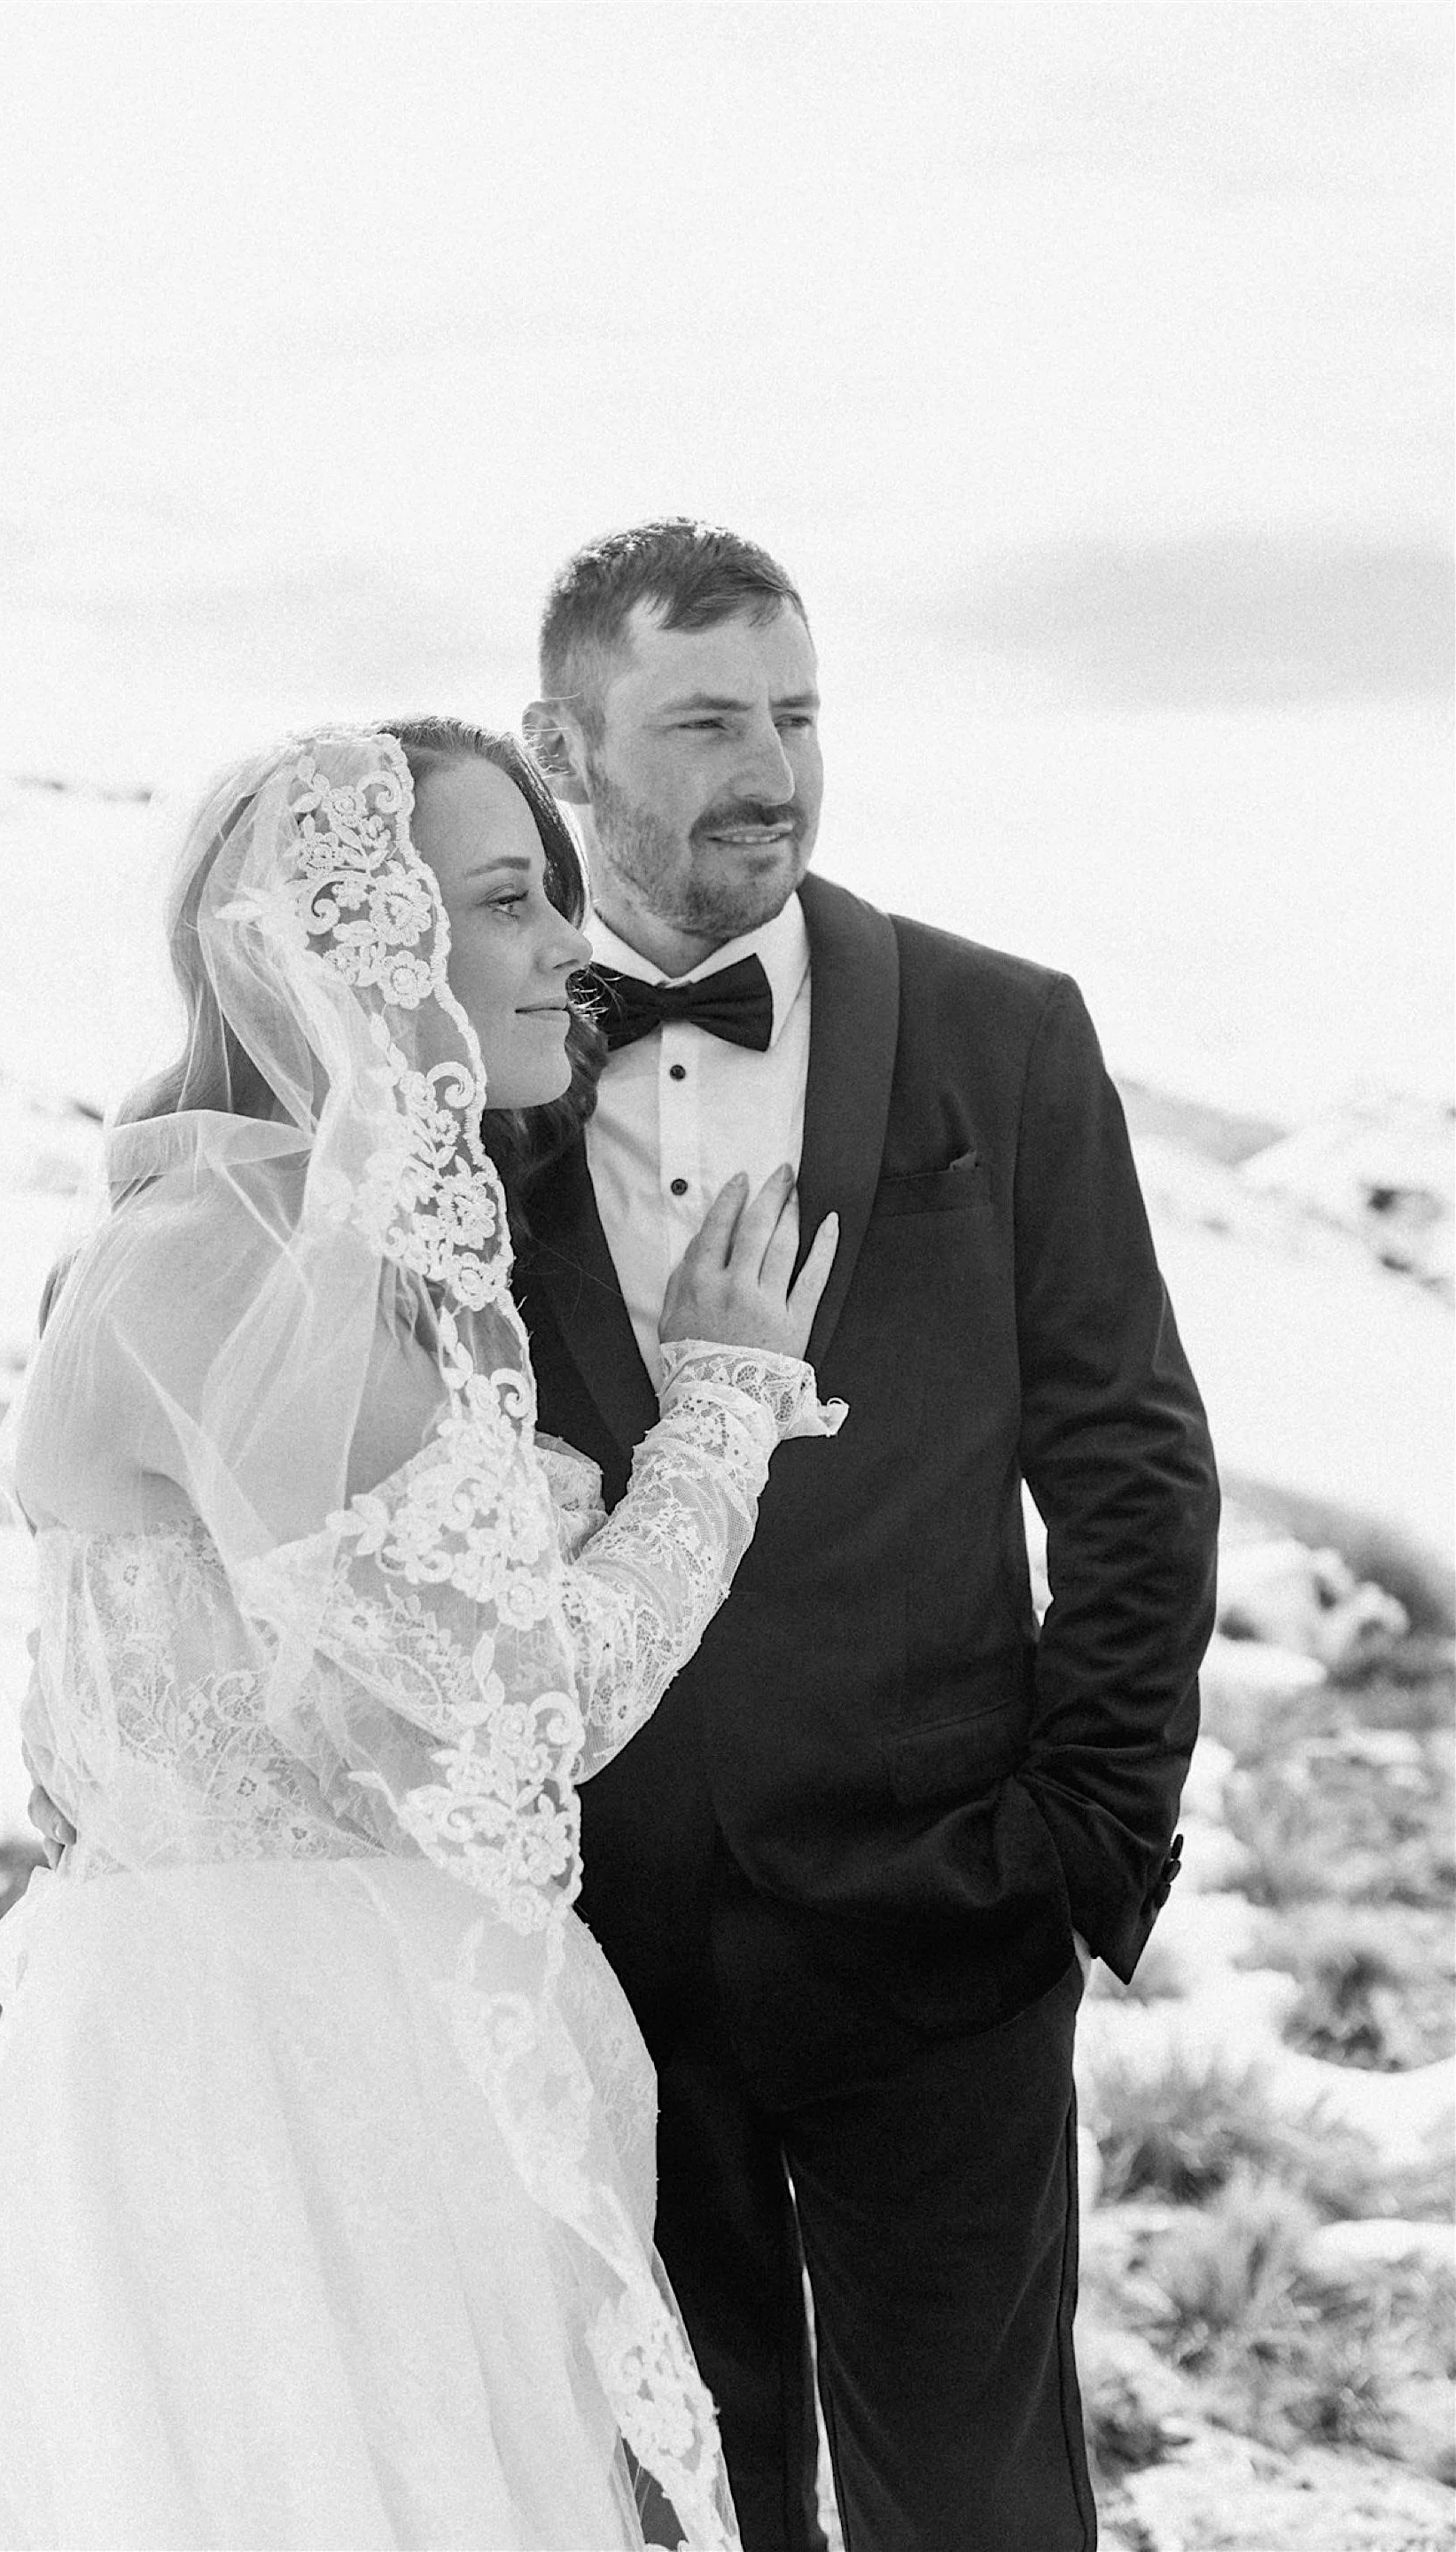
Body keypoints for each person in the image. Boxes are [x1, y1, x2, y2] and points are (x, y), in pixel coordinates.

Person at [0, 718, 845, 2552]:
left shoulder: (232, 1235)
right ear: (351, 944)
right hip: (290, 2084)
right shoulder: (252, 1271)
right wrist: (720, 1419)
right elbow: (532, 1709)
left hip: (283, 2032)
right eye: (507, 901)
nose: (565, 949)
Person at [506, 520, 1222, 2552]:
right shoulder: (475, 1075)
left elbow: (1134, 1463)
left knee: (984, 2505)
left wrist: (1082, 1836)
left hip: (944, 1922)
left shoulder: (1008, 1031)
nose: (773, 766)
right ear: (569, 744)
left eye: (799, 712)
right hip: (598, 1945)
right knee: (677, 2503)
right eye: (707, 718)